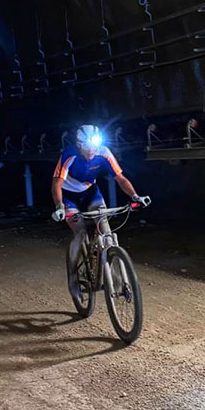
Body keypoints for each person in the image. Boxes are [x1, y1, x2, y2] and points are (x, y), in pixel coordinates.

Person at [51, 125, 150, 298]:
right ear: (79, 144)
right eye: (88, 147)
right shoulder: (70, 154)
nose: (92, 151)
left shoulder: (104, 152)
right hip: (69, 197)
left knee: (106, 231)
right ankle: (73, 278)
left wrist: (135, 196)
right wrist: (59, 207)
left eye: (95, 147)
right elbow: (57, 183)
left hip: (90, 193)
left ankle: (116, 276)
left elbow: (120, 178)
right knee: (80, 233)